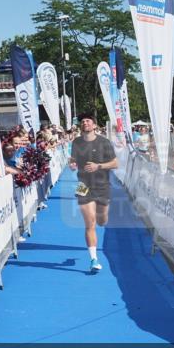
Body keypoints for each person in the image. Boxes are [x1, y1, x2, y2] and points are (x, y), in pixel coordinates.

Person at [69, 115, 117, 274]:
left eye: (88, 121)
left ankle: (102, 217)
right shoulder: (76, 142)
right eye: (83, 122)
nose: (85, 123)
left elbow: (115, 163)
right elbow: (73, 159)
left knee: (102, 220)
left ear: (94, 125)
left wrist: (99, 166)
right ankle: (93, 259)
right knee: (90, 224)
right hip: (83, 186)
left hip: (102, 186)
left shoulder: (104, 142)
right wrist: (72, 164)